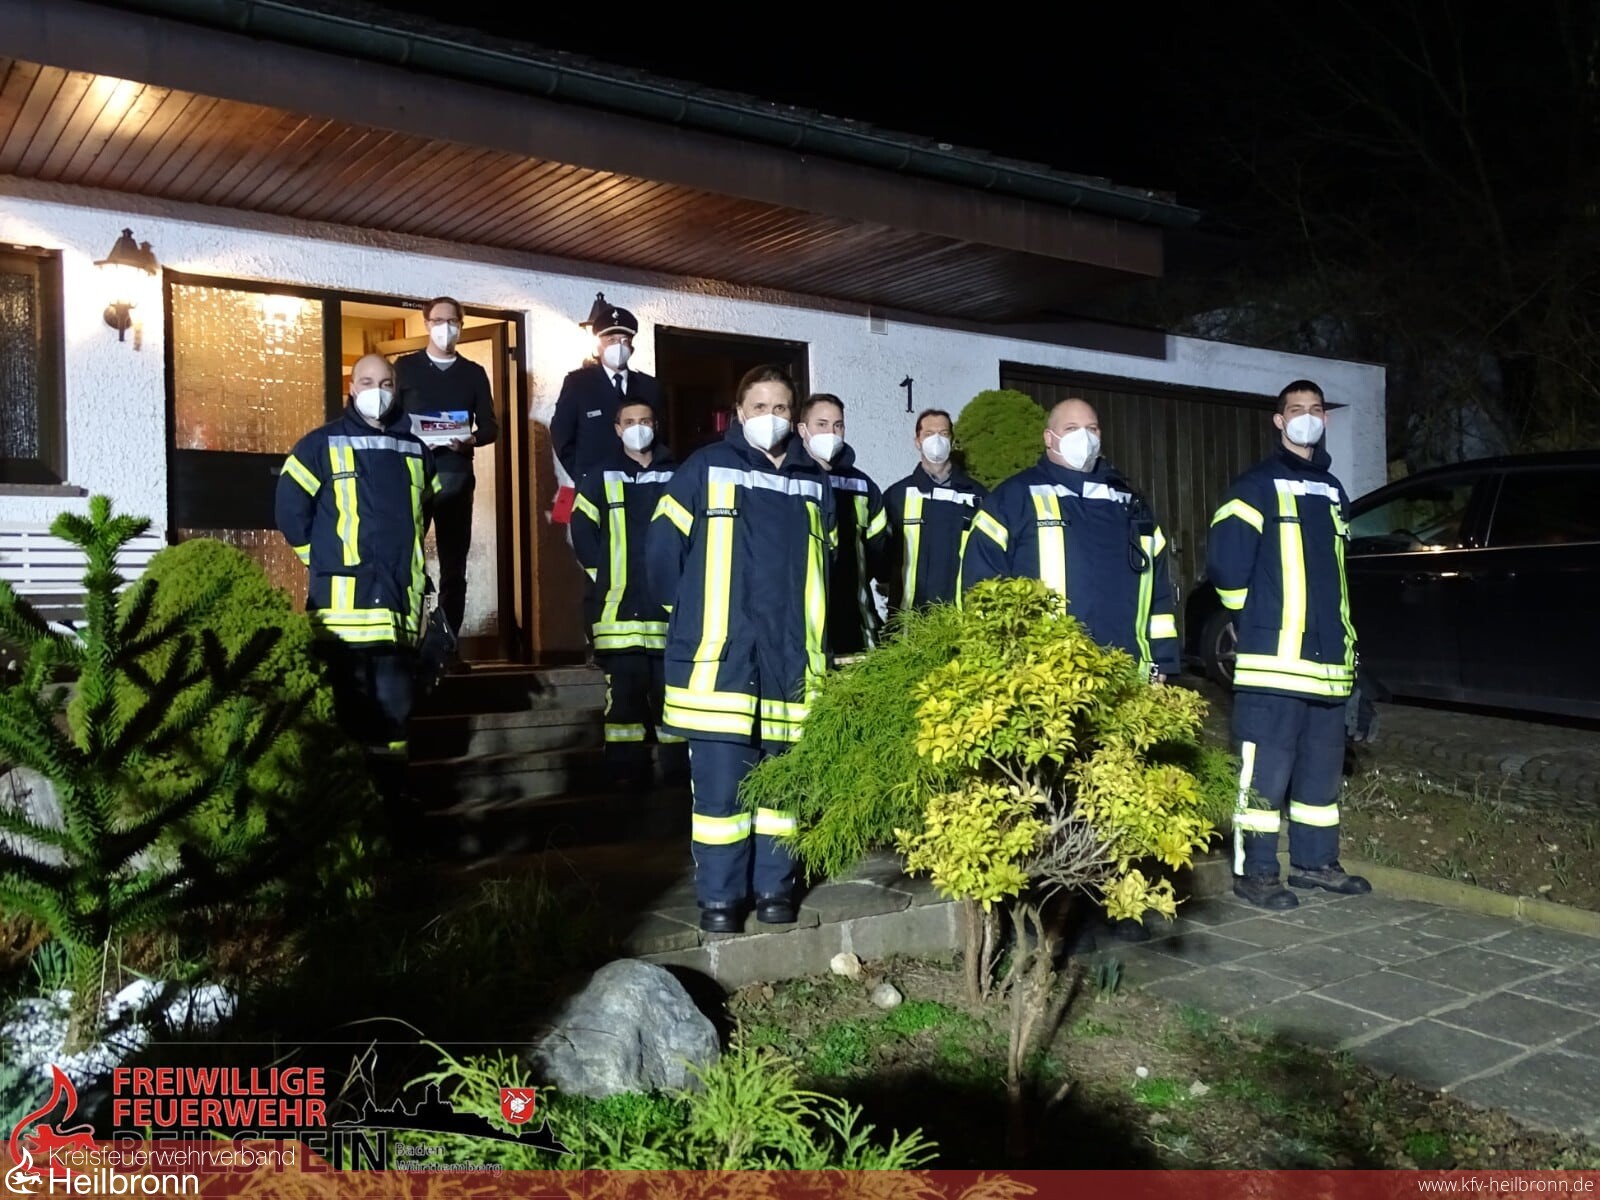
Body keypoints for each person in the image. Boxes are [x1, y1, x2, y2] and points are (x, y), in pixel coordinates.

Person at [647, 365, 835, 933]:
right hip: (719, 663)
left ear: (794, 419)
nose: (770, 418)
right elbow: (662, 553)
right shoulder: (705, 467)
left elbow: (828, 570)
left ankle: (776, 891)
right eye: (759, 407)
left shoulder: (814, 481)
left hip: (792, 665)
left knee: (783, 793)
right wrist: (689, 618)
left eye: (781, 408)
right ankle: (720, 901)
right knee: (721, 796)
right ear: (738, 413)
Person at [1208, 379, 1371, 910]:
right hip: (1273, 664)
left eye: (1315, 409)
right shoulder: (1255, 486)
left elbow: (1338, 581)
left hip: (1328, 668)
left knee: (1320, 777)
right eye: (1296, 409)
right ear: (1279, 421)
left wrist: (1353, 661)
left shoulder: (1334, 491)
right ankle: (1255, 873)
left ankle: (1315, 863)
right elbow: (1227, 568)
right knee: (1263, 778)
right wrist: (1256, 622)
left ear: (1325, 418)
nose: (1306, 417)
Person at [275, 353, 436, 836]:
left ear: (396, 388)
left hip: (395, 614)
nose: (377, 391)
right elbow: (290, 511)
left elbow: (420, 518)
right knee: (345, 716)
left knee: (394, 718)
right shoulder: (318, 445)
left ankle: (390, 805)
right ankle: (343, 814)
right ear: (351, 386)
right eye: (367, 382)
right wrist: (322, 560)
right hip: (340, 616)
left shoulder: (416, 451)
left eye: (385, 383)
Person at [960, 398, 1179, 681]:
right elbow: (980, 588)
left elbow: (1156, 591)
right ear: (1049, 438)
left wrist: (1162, 661)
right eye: (1072, 428)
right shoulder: (1012, 499)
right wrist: (993, 664)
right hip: (1045, 681)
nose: (1084, 437)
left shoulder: (1130, 503)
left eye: (1092, 428)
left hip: (1126, 677)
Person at [570, 400, 688, 792]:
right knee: (623, 701)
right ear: (618, 429)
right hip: (616, 611)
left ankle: (678, 775)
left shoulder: (679, 475)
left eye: (645, 421)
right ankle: (624, 775)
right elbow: (582, 531)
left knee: (673, 699)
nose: (638, 428)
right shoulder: (599, 476)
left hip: (669, 613)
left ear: (656, 425)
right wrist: (602, 578)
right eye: (630, 422)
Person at [394, 296, 498, 652]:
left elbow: (490, 427)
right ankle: (407, 641)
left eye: (452, 321)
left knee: (454, 566)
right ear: (427, 324)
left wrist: (471, 439)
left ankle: (446, 647)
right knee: (407, 559)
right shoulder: (405, 368)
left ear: (461, 326)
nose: (446, 328)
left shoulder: (473, 373)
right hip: (413, 476)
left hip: (456, 476)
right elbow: (388, 418)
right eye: (438, 321)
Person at [797, 393, 887, 657]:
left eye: (838, 425)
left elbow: (879, 551)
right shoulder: (788, 481)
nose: (831, 432)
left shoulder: (862, 485)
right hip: (800, 622)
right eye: (821, 424)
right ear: (802, 429)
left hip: (853, 620)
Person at [883, 408, 988, 611]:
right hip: (908, 616)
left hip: (961, 616)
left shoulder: (978, 495)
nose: (937, 440)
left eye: (943, 433)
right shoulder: (897, 496)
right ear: (917, 441)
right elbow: (881, 556)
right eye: (929, 434)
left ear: (952, 440)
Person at [550, 300, 665, 486]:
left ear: (632, 348)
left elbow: (660, 436)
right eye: (611, 340)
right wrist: (582, 476)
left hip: (639, 483)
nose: (618, 346)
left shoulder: (649, 386)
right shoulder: (578, 384)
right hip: (596, 485)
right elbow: (562, 434)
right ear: (598, 347)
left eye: (624, 341)